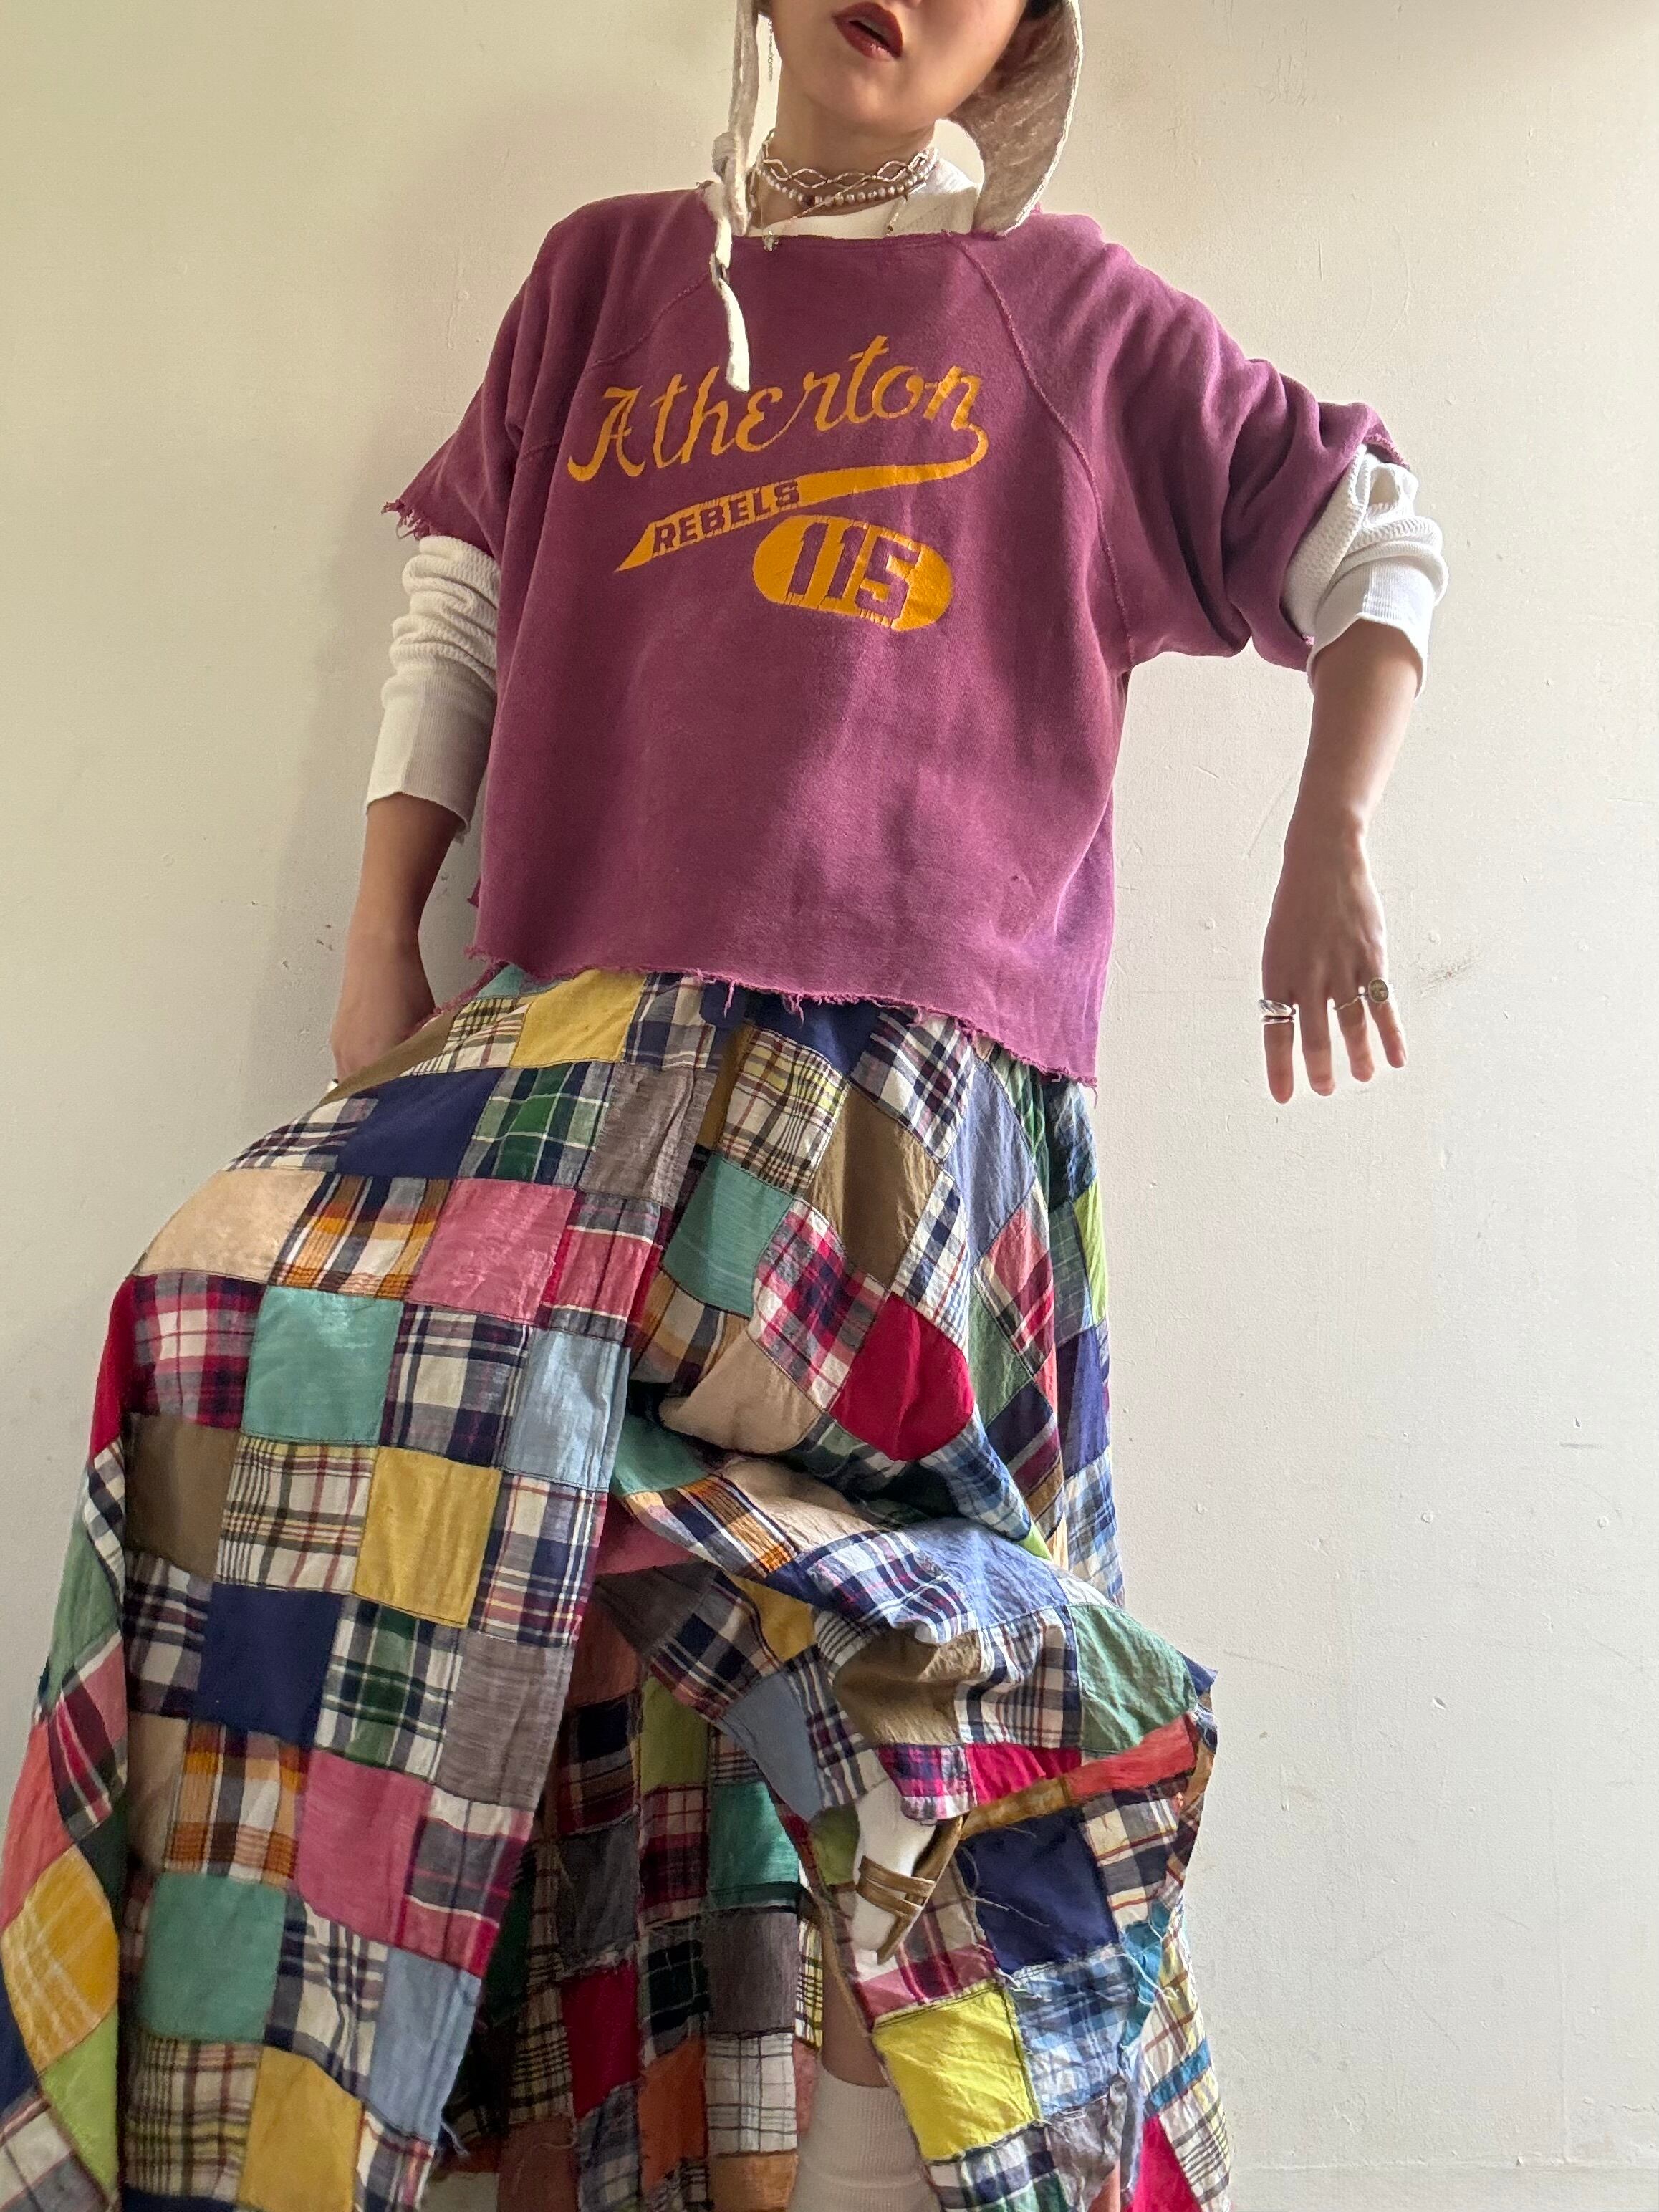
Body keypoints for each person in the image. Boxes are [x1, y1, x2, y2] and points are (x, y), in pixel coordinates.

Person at [0, 5, 1447, 2212]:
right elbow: (460, 605)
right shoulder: (605, 277)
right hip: (572, 1050)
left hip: (897, 1095)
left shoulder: (1062, 312)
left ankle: (1033, 1819)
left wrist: (1328, 836)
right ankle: (249, 2141)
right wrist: (381, 935)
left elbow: (1365, 528)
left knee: (834, 1619)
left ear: (1021, 43)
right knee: (232, 1338)